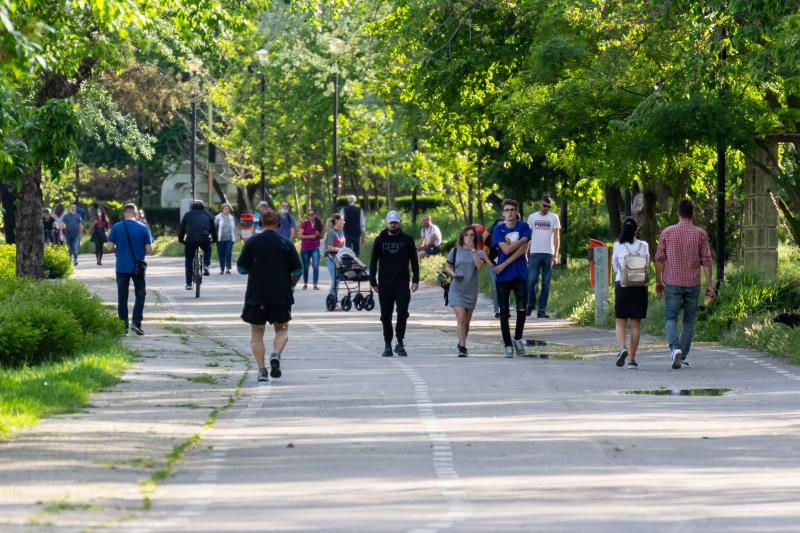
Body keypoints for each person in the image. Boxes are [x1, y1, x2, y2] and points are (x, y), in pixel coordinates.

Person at [237, 207, 303, 382]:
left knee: (256, 334)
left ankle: (261, 370)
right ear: (278, 224)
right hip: (281, 294)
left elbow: (241, 269)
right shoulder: (286, 244)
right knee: (282, 330)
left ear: (260, 224)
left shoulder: (251, 242)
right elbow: (298, 270)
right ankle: (275, 354)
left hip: (256, 294)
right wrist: (291, 284)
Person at [655, 199, 715, 369]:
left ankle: (675, 349)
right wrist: (710, 285)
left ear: (678, 213)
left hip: (672, 282)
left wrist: (659, 281)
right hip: (692, 283)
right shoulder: (700, 234)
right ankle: (682, 355)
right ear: (693, 214)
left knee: (671, 318)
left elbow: (659, 258)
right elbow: (707, 261)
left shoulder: (667, 232)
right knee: (689, 321)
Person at [370, 210, 420, 357]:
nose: (393, 225)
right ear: (387, 223)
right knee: (386, 315)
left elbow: (414, 260)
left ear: (399, 223)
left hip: (402, 282)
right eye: (391, 222)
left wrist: (416, 279)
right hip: (385, 283)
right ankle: (387, 344)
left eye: (396, 222)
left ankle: (399, 341)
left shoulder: (407, 239)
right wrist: (372, 280)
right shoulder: (380, 240)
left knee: (402, 312)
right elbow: (373, 261)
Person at [106, 203, 153, 335]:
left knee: (122, 298)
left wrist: (119, 249)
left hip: (121, 267)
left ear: (124, 214)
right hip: (138, 268)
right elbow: (149, 250)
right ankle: (136, 323)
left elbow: (109, 248)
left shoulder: (116, 227)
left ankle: (123, 327)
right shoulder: (143, 228)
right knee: (140, 294)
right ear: (135, 214)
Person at [493, 199, 531, 358]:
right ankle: (507, 344)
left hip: (520, 273)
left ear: (516, 212)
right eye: (506, 210)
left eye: (512, 210)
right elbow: (506, 250)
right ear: (503, 213)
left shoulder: (524, 226)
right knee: (504, 311)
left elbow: (522, 250)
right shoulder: (498, 229)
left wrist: (505, 263)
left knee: (522, 308)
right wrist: (522, 240)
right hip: (503, 277)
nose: (509, 212)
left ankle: (518, 338)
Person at [446, 226, 491, 357]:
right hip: (456, 289)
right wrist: (453, 274)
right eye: (467, 235)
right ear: (462, 237)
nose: (469, 237)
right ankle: (463, 348)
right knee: (461, 318)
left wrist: (473, 250)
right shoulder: (455, 251)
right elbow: (448, 266)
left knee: (467, 322)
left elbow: (478, 265)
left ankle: (461, 343)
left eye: (472, 236)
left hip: (471, 290)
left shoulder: (478, 252)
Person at [611, 217, 650, 369]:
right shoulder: (644, 245)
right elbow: (647, 263)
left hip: (623, 285)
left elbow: (615, 267)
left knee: (620, 321)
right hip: (639, 287)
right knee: (635, 324)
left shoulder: (618, 246)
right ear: (635, 230)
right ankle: (632, 359)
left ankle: (622, 349)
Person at [526, 195, 560, 318]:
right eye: (544, 205)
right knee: (531, 281)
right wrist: (526, 253)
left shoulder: (554, 217)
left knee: (546, 283)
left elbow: (556, 236)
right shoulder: (532, 217)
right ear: (540, 204)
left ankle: (542, 310)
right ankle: (530, 305)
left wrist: (555, 254)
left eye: (548, 206)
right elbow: (527, 237)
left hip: (548, 254)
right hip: (534, 253)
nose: (546, 208)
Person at [178, 199, 216, 290]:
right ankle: (206, 265)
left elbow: (182, 229)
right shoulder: (207, 214)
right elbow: (213, 229)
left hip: (190, 239)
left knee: (189, 260)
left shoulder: (187, 214)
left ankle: (189, 283)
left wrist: (181, 240)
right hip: (204, 237)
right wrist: (214, 239)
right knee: (207, 249)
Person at [483, 218, 504, 318]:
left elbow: (509, 249)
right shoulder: (490, 238)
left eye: (502, 225)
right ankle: (497, 310)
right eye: (498, 225)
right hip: (493, 266)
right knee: (496, 288)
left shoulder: (507, 237)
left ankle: (505, 308)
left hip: (504, 265)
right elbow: (484, 252)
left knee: (505, 287)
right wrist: (490, 264)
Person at [324, 214, 347, 308]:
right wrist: (342, 250)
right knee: (335, 280)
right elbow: (330, 247)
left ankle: (334, 301)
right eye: (342, 220)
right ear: (336, 221)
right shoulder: (331, 232)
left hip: (339, 258)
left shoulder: (341, 232)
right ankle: (332, 302)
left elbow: (343, 246)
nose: (344, 221)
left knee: (337, 280)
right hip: (330, 258)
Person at [298, 209, 324, 290]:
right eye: (309, 214)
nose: (311, 216)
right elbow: (300, 235)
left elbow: (322, 236)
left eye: (312, 214)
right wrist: (311, 236)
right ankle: (305, 284)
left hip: (315, 247)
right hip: (305, 248)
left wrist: (318, 234)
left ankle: (315, 284)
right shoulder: (304, 224)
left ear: (315, 215)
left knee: (315, 266)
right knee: (306, 267)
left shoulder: (319, 224)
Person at [214, 203, 237, 275]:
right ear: (222, 209)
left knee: (228, 252)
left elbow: (234, 229)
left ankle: (227, 268)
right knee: (221, 254)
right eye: (225, 208)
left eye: (228, 209)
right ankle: (222, 269)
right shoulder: (217, 217)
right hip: (220, 239)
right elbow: (214, 228)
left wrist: (235, 238)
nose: (227, 210)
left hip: (229, 239)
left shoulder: (231, 218)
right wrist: (214, 237)